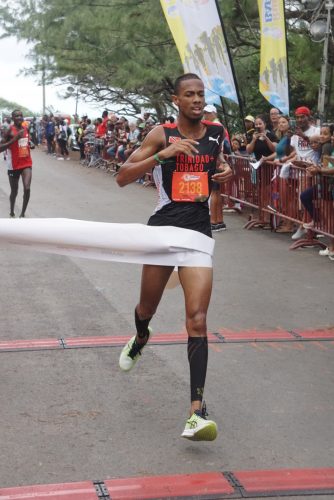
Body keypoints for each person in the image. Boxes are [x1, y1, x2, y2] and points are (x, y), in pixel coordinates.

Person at [116, 73, 232, 441]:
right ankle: (140, 336)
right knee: (146, 307)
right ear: (176, 100)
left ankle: (196, 411)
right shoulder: (160, 134)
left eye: (201, 94)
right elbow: (122, 177)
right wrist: (162, 156)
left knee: (197, 320)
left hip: (198, 232)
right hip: (163, 230)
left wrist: (225, 174)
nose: (197, 100)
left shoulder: (217, 133)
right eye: (189, 95)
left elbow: (220, 170)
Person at [0, 110, 33, 218]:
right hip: (13, 165)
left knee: (27, 188)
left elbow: (27, 141)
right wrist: (15, 139)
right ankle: (12, 210)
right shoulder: (9, 130)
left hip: (26, 163)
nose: (19, 117)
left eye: (21, 115)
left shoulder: (25, 128)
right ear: (13, 118)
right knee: (14, 191)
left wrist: (30, 143)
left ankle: (22, 214)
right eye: (16, 116)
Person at [203, 104, 229, 232]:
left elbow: (216, 147)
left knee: (214, 192)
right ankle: (219, 220)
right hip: (218, 161)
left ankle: (213, 221)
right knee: (217, 192)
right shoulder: (217, 126)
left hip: (214, 162)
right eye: (205, 113)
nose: (205, 115)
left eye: (208, 113)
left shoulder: (215, 127)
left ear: (214, 113)